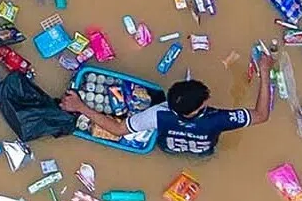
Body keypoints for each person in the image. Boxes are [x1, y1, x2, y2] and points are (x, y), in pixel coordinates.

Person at [61, 56, 275, 157]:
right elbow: (261, 115)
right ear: (201, 107)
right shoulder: (218, 119)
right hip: (203, 150)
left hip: (168, 147)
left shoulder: (157, 114)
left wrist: (81, 106)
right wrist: (264, 73)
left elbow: (117, 129)